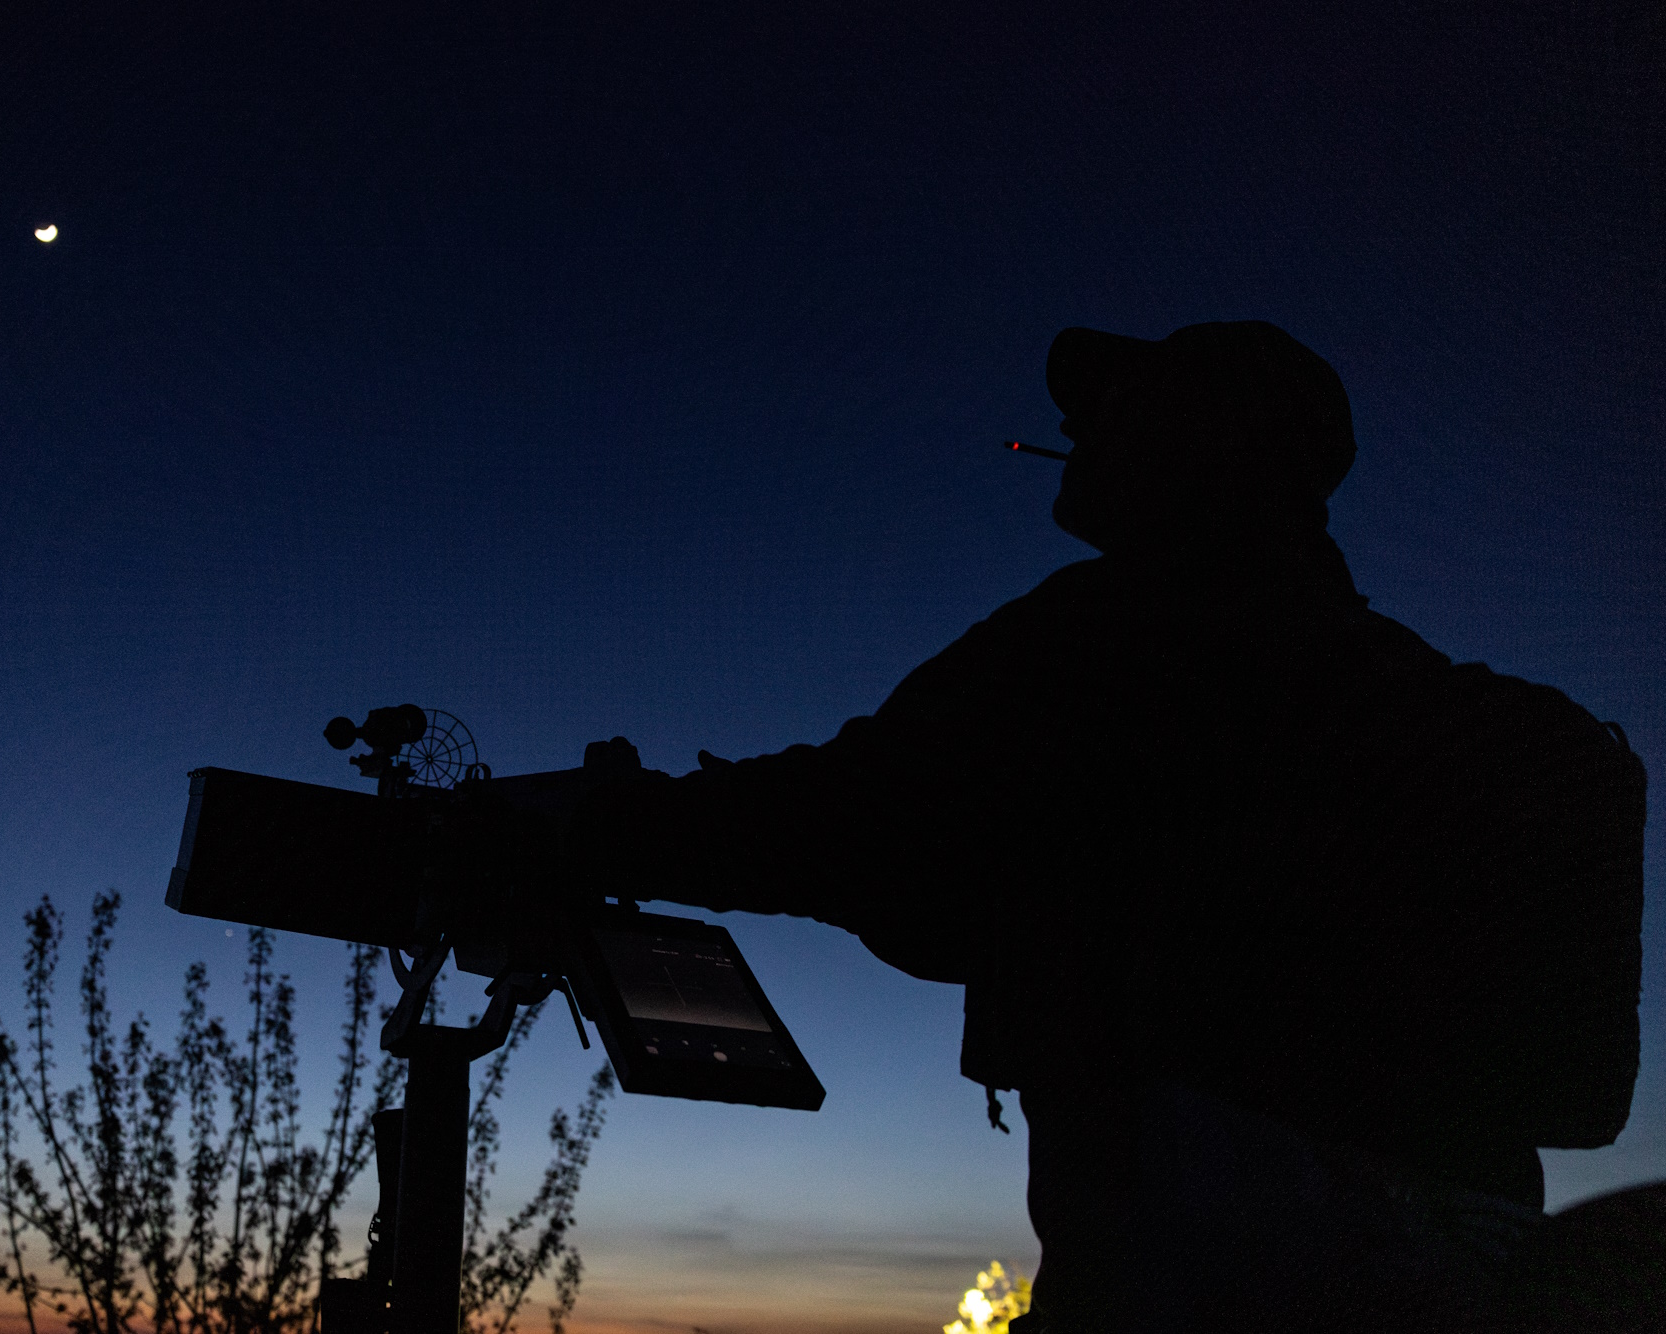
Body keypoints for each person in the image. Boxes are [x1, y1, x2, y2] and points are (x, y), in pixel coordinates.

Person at [567, 321, 1646, 1331]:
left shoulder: (1104, 641)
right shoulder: (1406, 698)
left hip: (1203, 1270)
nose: (1075, 433)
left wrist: (587, 826)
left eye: (1116, 412)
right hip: (1468, 1270)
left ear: (1191, 447)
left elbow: (847, 820)